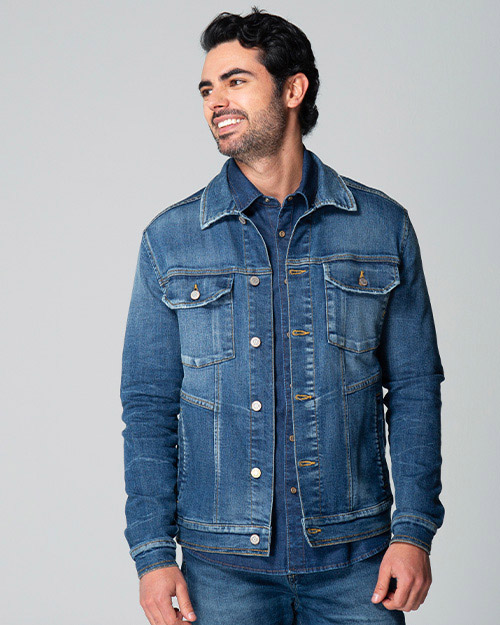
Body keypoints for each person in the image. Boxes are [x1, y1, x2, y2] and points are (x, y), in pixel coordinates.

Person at [120, 7, 445, 624]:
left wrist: (414, 531)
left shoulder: (381, 227)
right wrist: (153, 555)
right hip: (221, 568)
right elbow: (147, 406)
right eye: (207, 88)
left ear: (293, 89)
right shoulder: (171, 240)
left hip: (359, 559)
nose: (216, 100)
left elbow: (414, 388)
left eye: (236, 80)